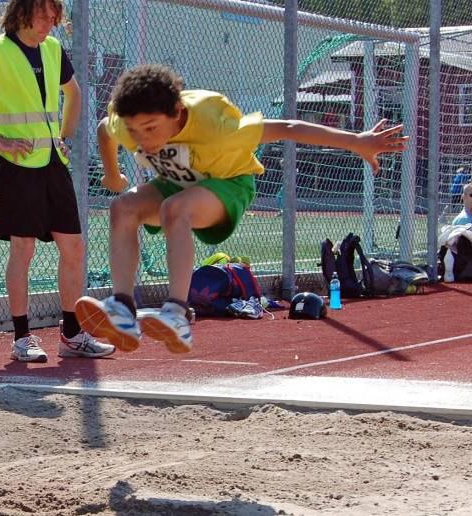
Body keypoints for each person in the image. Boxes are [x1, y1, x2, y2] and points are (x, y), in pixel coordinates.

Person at [75, 64, 408, 354]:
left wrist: (356, 141)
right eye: (135, 132)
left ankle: (176, 314)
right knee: (122, 208)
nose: (143, 140)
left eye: (151, 129)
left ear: (177, 113)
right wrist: (111, 173)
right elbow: (106, 128)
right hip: (179, 182)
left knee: (175, 209)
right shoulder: (128, 123)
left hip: (228, 184)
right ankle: (122, 308)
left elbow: (288, 128)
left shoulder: (216, 124)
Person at [0, 0, 114, 362]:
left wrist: (66, 133)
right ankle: (22, 337)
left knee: (73, 246)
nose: (48, 24)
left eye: (53, 17)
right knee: (23, 249)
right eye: (42, 16)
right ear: (21, 13)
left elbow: (74, 92)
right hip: (17, 165)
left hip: (52, 162)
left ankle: (71, 336)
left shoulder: (53, 49)